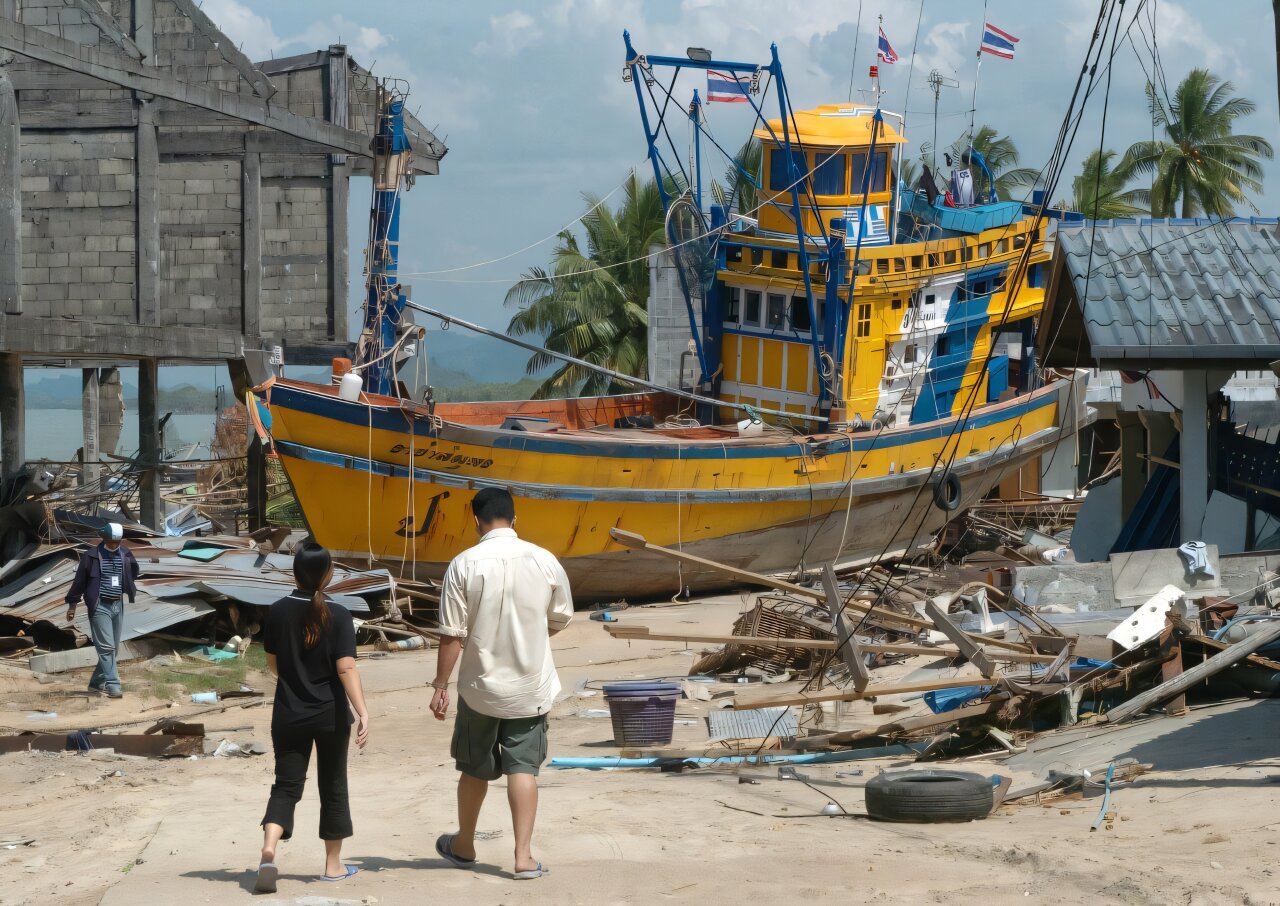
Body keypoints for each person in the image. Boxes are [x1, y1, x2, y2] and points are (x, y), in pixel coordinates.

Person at [431, 487, 574, 881]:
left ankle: (464, 846)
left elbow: (451, 635)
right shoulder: (544, 560)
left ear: (474, 520)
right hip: (531, 687)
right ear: (515, 519)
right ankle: (524, 858)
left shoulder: (462, 564)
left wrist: (440, 685)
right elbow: (561, 617)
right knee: (523, 768)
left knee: (474, 768)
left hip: (480, 690)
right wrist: (529, 639)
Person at [255, 543, 370, 894]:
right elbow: (346, 666)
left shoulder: (276, 611)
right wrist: (363, 711)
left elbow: (274, 665)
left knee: (286, 784)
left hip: (288, 712)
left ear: (294, 573)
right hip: (330, 714)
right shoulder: (340, 613)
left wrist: (296, 679)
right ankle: (333, 867)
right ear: (329, 574)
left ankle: (269, 850)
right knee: (332, 785)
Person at [64, 523, 140, 699]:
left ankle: (96, 683)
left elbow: (134, 571)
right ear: (104, 539)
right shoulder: (91, 556)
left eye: (117, 542)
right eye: (111, 542)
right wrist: (72, 605)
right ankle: (113, 685)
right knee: (106, 647)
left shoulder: (126, 553)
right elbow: (79, 582)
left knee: (113, 649)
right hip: (99, 605)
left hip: (117, 605)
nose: (114, 545)